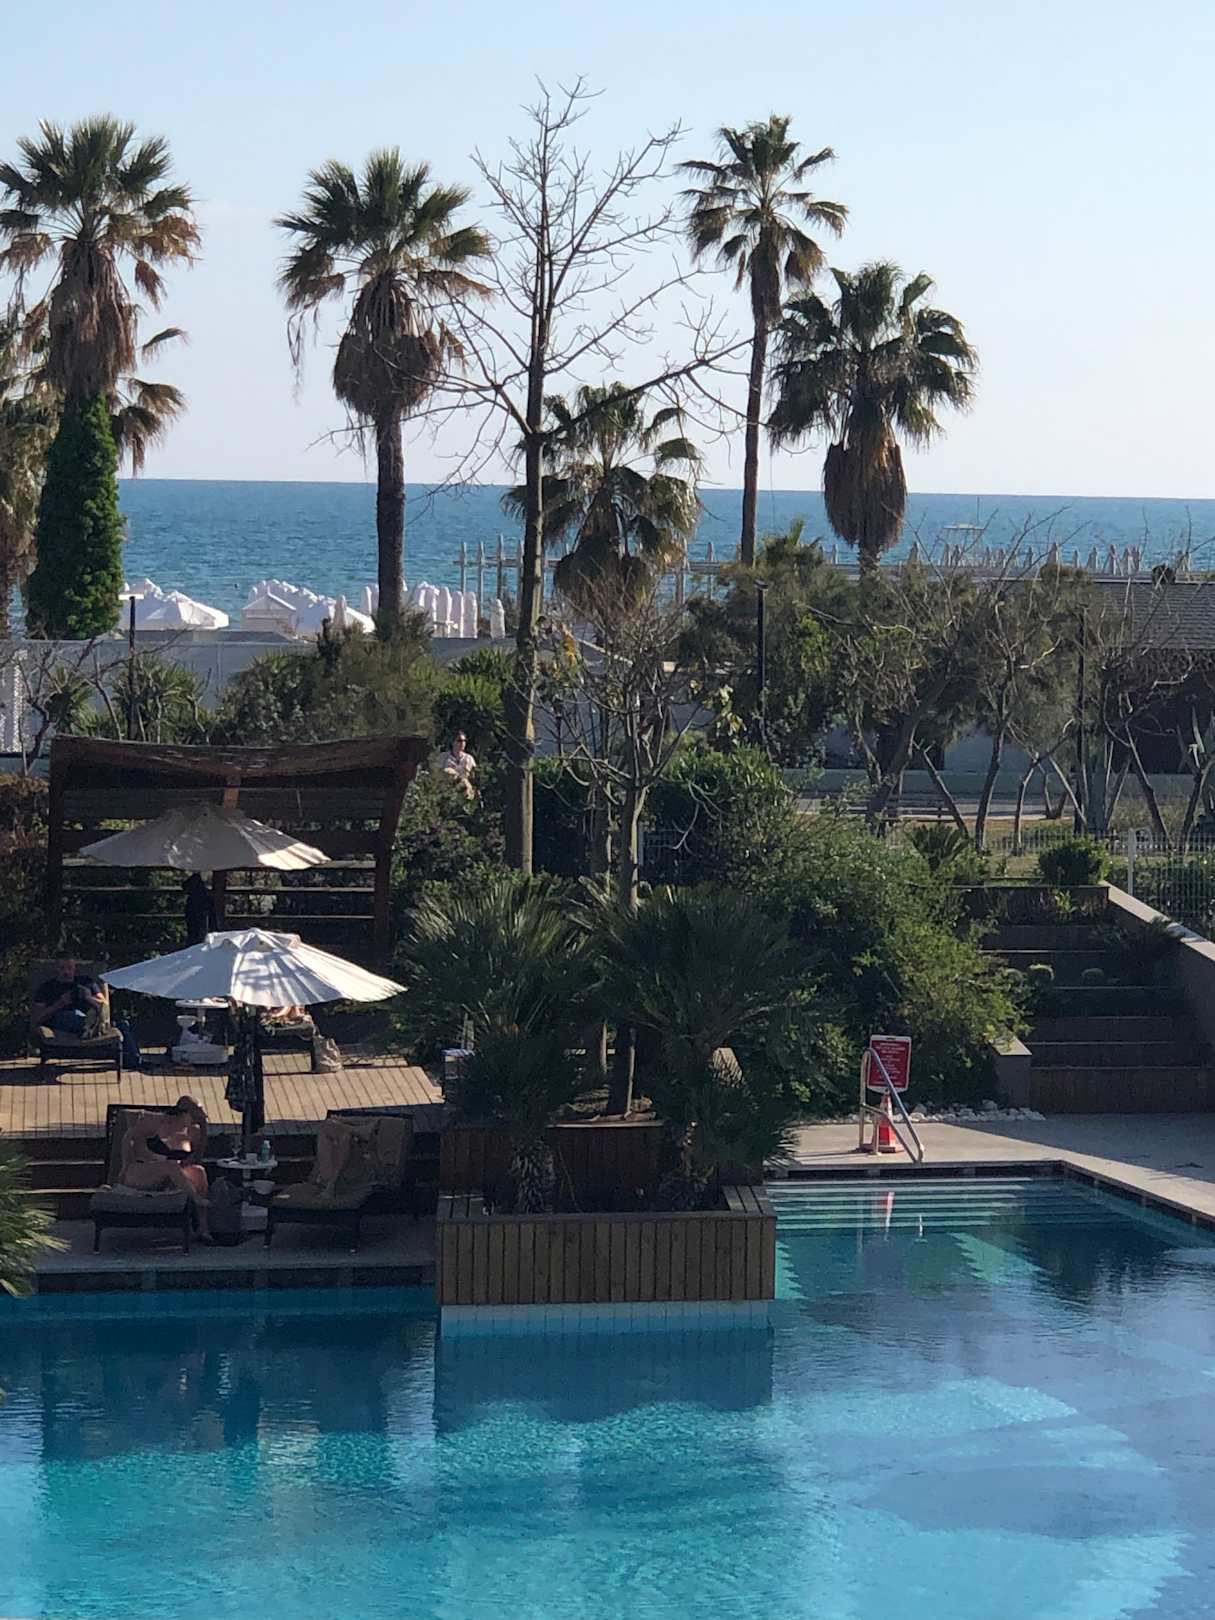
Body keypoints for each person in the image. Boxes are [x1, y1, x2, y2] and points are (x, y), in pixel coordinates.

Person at [119, 1097, 211, 1238]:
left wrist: (204, 1131)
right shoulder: (157, 1122)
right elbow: (128, 1136)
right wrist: (126, 1164)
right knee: (170, 1165)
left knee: (199, 1171)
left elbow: (194, 1161)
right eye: (196, 1116)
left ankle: (203, 1228)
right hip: (140, 1172)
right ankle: (195, 1198)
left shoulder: (193, 1132)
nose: (198, 1121)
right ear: (184, 1113)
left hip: (172, 1177)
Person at [32, 957, 106, 1037]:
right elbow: (37, 1018)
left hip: (88, 1015)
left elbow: (103, 1004)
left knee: (91, 1014)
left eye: (70, 968)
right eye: (62, 968)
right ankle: (87, 1028)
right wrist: (60, 1003)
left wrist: (88, 998)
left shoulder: (86, 981)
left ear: (74, 968)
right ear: (56, 968)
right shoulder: (47, 988)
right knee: (68, 1016)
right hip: (61, 1018)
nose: (66, 972)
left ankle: (89, 1027)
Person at [438, 731, 476, 798]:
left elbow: (473, 776)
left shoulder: (469, 758)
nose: (462, 743)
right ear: (453, 742)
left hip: (464, 792)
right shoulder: (443, 757)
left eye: (464, 741)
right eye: (459, 741)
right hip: (446, 791)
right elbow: (437, 773)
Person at [183, 873, 217, 947]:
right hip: (199, 915)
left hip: (199, 915)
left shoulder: (198, 896)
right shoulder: (205, 895)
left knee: (197, 935)